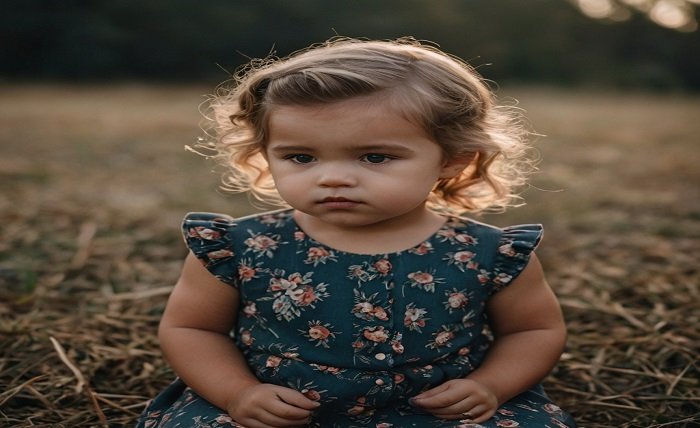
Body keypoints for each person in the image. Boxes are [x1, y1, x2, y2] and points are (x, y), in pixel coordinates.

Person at [137, 37, 576, 428]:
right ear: (264, 153)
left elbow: (532, 331)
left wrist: (491, 386)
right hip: (279, 409)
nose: (333, 178)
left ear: (453, 159)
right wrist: (237, 394)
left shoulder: (489, 253)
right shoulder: (238, 247)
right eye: (301, 157)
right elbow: (192, 329)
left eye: (375, 157)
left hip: (435, 411)